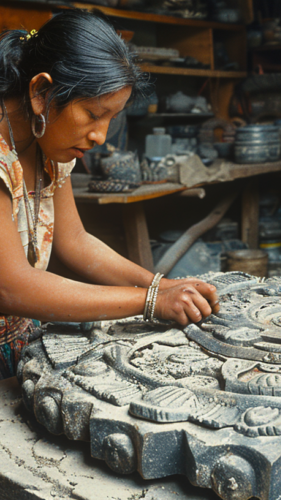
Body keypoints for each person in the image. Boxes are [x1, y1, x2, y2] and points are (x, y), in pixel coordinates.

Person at [0, 9, 219, 380]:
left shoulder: (45, 142)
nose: (100, 136)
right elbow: (10, 287)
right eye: (92, 114)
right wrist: (152, 302)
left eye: (110, 119)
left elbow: (76, 242)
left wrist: (160, 284)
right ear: (40, 92)